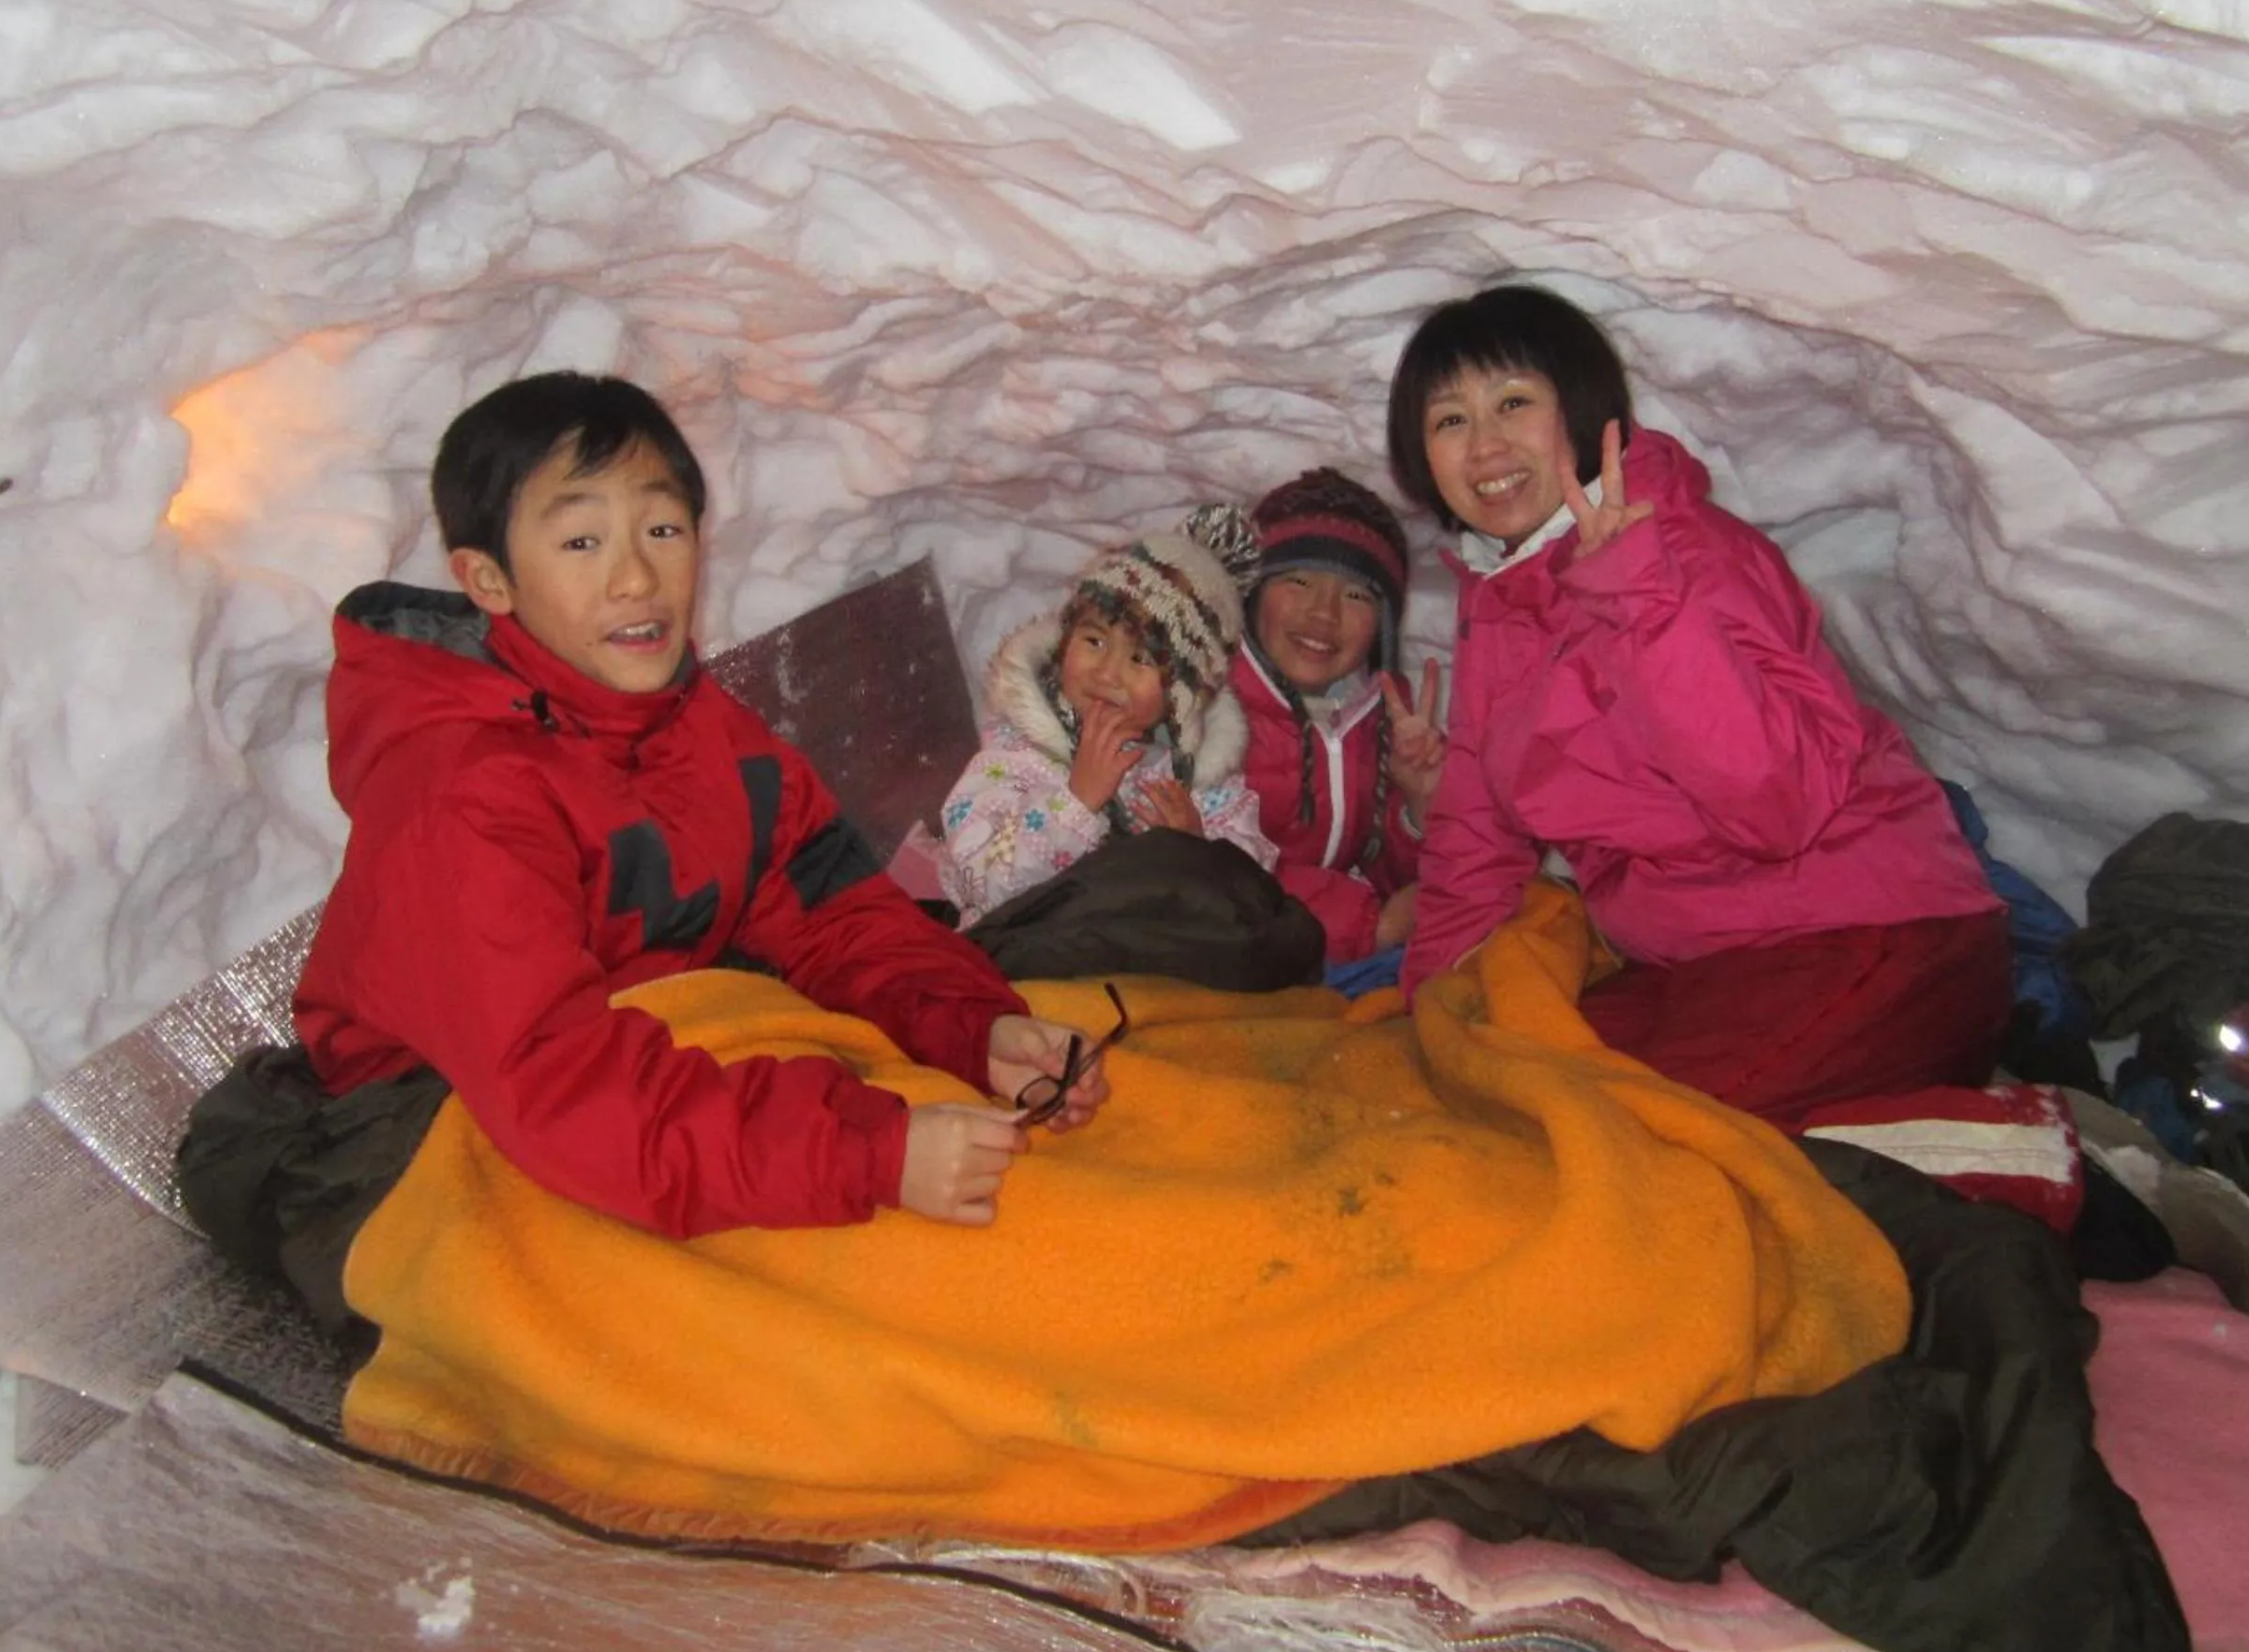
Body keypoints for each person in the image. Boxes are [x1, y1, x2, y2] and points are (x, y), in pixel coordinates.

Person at [287, 371, 1109, 1238]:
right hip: (431, 1117)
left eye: (662, 528)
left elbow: (835, 915)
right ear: (489, 581)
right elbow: (554, 1084)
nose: (636, 577)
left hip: (640, 1068)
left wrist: (973, 1030)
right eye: (580, 543)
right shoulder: (460, 794)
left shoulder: (698, 729)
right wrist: (865, 1154)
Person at [1390, 284, 2008, 1126]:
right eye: (1449, 420)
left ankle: (2027, 1157)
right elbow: (1476, 831)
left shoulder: (1685, 551)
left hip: (1871, 940)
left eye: (1513, 403)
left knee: (1624, 1138)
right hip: (1703, 966)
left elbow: (1779, 805)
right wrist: (1424, 1018)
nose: (1485, 444)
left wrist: (1637, 597)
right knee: (1497, 1096)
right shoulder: (1501, 602)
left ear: (1581, 414)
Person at [939, 507, 1279, 920]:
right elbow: (984, 886)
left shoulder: (1200, 782)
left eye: (1140, 657)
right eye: (1094, 641)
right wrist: (1075, 803)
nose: (1107, 673)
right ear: (1065, 642)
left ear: (1186, 693)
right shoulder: (1016, 757)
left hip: (1155, 975)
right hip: (1033, 968)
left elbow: (1256, 895)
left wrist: (1196, 849)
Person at [1232, 468, 1447, 965]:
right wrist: (1371, 925)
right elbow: (1215, 876)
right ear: (1252, 592)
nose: (1324, 614)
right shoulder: (1201, 708)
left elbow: (1398, 883)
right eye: (1299, 581)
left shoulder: (1377, 719)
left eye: (1356, 595)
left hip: (1322, 953)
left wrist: (1421, 807)